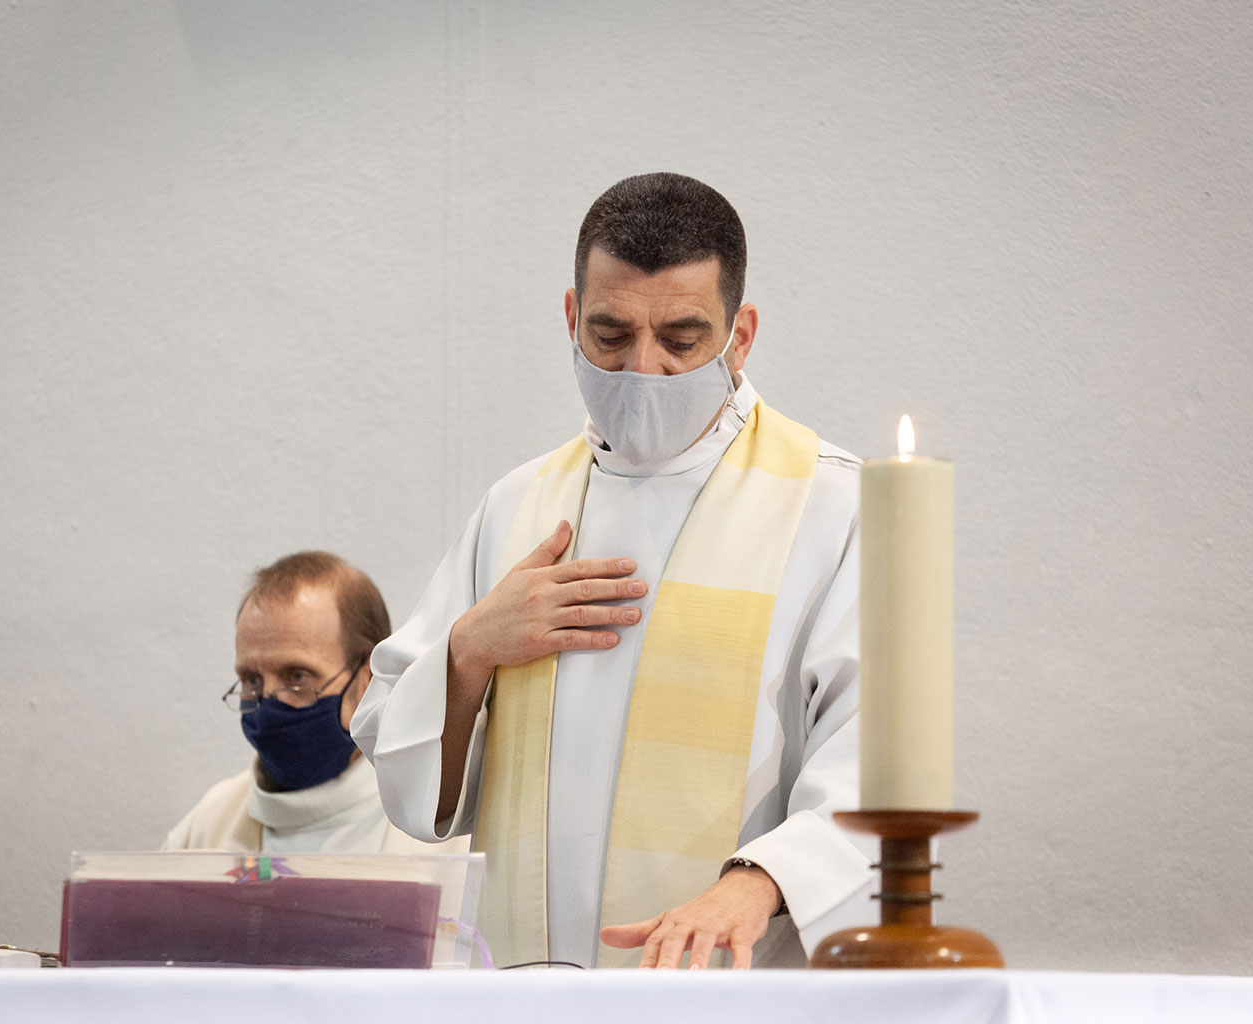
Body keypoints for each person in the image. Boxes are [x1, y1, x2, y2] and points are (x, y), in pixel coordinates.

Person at [351, 172, 874, 969]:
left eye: (682, 341)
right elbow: (405, 768)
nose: (643, 369)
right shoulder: (518, 505)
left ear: (741, 335)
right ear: (571, 317)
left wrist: (757, 881)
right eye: (610, 335)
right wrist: (469, 650)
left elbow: (877, 755)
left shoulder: (833, 507)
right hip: (532, 987)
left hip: (729, 983)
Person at [164, 552, 461, 854]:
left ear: (369, 682)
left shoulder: (443, 832)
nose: (268, 706)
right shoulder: (206, 831)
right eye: (252, 680)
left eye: (296, 676)